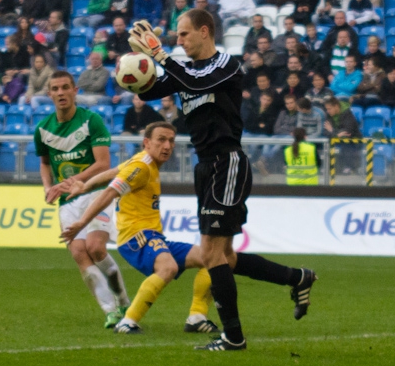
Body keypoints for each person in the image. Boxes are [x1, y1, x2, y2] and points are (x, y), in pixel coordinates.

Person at [130, 10, 310, 351]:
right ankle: (297, 277)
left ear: (204, 31)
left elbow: (195, 83)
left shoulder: (225, 63)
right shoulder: (186, 71)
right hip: (207, 167)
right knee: (224, 256)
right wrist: (137, 63)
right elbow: (148, 92)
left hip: (226, 163)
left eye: (183, 35)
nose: (179, 41)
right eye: (176, 37)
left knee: (210, 253)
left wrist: (159, 54)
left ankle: (233, 336)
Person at [61, 122, 316, 333]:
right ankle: (129, 321)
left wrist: (84, 184)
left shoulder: (140, 161)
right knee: (169, 267)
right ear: (146, 143)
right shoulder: (141, 167)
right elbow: (109, 192)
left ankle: (196, 317)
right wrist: (82, 222)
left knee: (211, 259)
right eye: (161, 140)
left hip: (153, 235)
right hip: (136, 238)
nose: (168, 146)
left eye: (171, 140)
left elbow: (113, 172)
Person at [34, 70, 131, 329]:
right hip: (67, 201)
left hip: (96, 193)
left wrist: (77, 181)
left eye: (66, 87)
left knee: (96, 248)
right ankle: (110, 310)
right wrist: (48, 187)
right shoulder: (43, 128)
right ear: (50, 93)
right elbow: (44, 163)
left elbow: (103, 163)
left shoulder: (91, 121)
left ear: (75, 91)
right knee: (79, 252)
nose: (61, 92)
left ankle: (123, 301)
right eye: (56, 88)